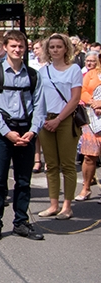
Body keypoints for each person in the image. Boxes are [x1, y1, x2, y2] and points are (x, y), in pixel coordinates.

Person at [0, 30, 46, 242]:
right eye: (13, 46)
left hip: (26, 131)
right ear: (6, 48)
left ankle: (20, 221)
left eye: (21, 46)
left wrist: (33, 131)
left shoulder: (33, 75)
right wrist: (7, 133)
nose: (17, 50)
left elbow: (39, 107)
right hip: (3, 133)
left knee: (23, 180)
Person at [36, 33, 82, 220]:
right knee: (51, 165)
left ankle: (67, 206)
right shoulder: (42, 71)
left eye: (59, 47)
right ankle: (53, 204)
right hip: (46, 120)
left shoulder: (74, 69)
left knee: (68, 165)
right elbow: (38, 98)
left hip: (66, 120)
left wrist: (59, 119)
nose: (55, 50)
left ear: (66, 49)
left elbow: (75, 99)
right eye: (52, 47)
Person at [76, 51, 101, 201]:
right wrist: (92, 102)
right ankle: (86, 188)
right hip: (92, 118)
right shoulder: (91, 74)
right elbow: (82, 91)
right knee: (89, 156)